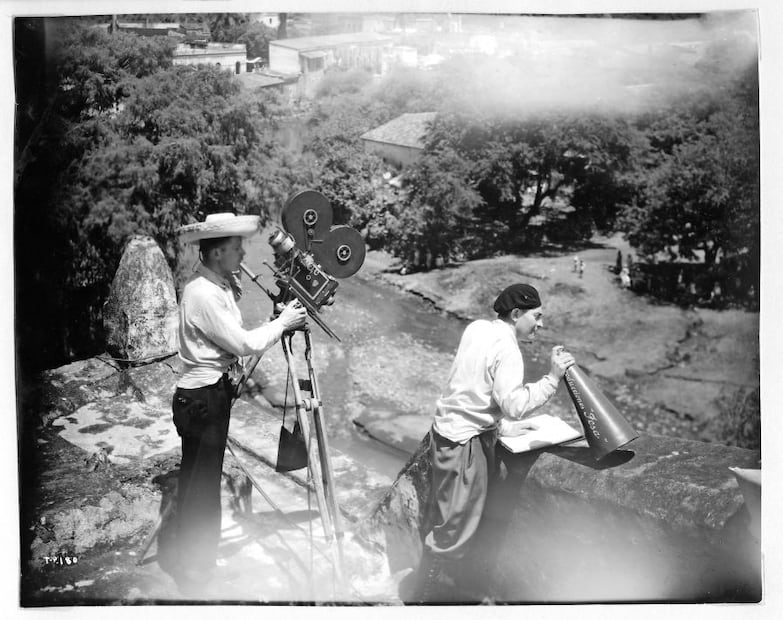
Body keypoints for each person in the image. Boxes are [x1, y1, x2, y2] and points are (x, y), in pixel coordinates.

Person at [164, 212, 307, 594]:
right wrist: (285, 323)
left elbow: (236, 335)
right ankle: (193, 575)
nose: (243, 251)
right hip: (202, 399)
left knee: (201, 481)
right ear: (215, 253)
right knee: (201, 487)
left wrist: (274, 316)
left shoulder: (218, 283)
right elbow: (242, 344)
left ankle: (195, 563)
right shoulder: (202, 293)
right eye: (236, 247)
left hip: (210, 395)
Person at [411, 283, 575, 602]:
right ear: (517, 314)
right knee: (454, 529)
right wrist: (553, 378)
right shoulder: (509, 349)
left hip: (446, 431)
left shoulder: (477, 328)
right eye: (537, 316)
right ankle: (422, 601)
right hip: (466, 444)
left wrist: (500, 427)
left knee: (447, 518)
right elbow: (513, 403)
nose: (540, 324)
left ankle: (436, 592)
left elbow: (474, 388)